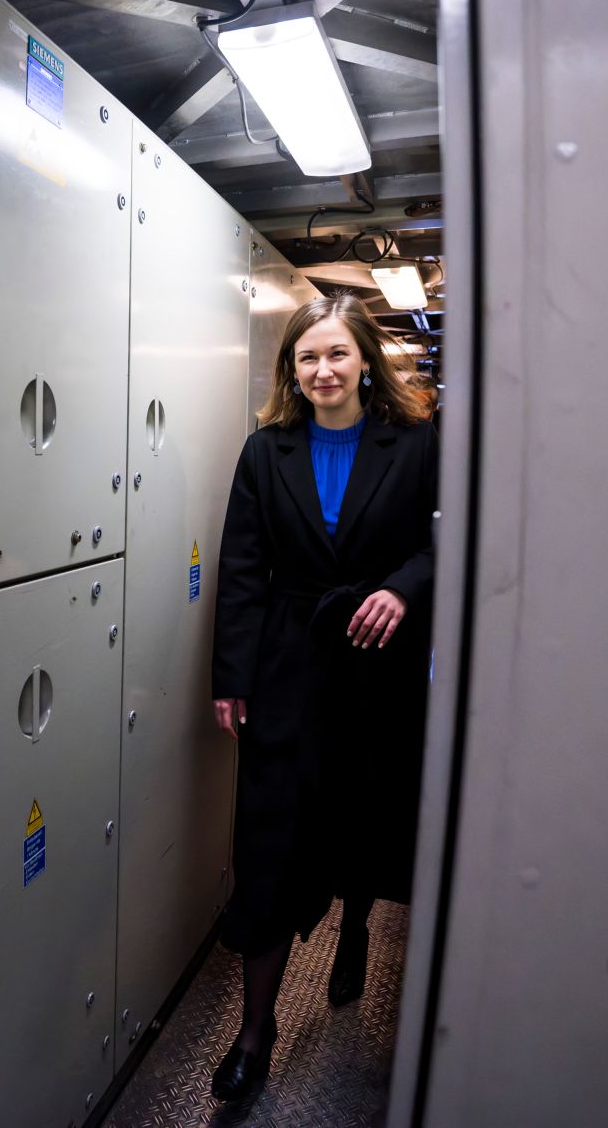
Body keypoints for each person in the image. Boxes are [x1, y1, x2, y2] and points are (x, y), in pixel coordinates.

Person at [208, 292, 438, 1101]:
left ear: (364, 360)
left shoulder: (412, 443)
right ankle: (255, 1029)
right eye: (308, 357)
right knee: (270, 842)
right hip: (289, 665)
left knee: (365, 817)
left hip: (379, 664)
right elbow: (240, 569)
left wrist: (405, 589)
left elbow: (441, 536)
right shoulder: (264, 452)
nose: (323, 369)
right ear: (291, 370)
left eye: (337, 353)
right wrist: (231, 680)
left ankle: (357, 929)